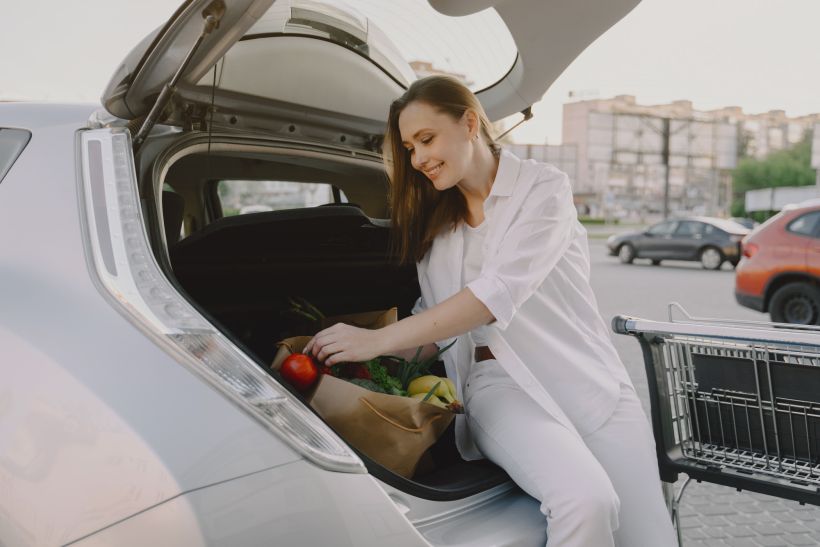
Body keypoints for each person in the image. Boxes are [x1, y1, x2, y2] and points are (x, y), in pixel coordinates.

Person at [304, 75, 677, 547]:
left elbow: (494, 295)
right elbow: (435, 326)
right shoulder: (436, 229)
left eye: (426, 139)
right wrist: (354, 367)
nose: (418, 159)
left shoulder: (544, 190)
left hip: (587, 381)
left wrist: (374, 339)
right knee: (586, 502)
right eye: (409, 147)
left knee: (650, 539)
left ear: (469, 122)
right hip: (499, 389)